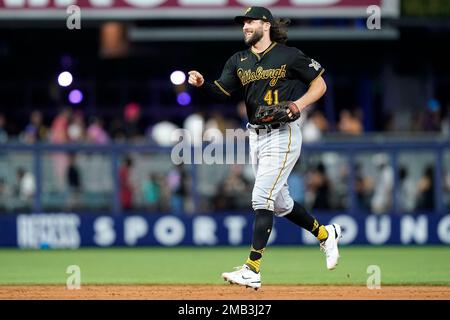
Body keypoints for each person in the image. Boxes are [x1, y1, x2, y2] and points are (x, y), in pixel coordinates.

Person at [188, 6, 341, 290]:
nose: (245, 26)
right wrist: (201, 84)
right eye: (243, 23)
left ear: (266, 24)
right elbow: (221, 92)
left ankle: (252, 268)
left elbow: (320, 85)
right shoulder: (239, 60)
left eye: (250, 21)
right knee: (280, 203)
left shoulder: (289, 55)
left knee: (261, 196)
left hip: (284, 134)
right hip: (256, 135)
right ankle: (325, 234)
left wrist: (298, 105)